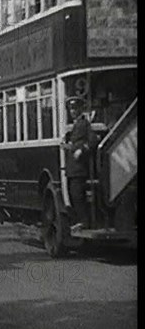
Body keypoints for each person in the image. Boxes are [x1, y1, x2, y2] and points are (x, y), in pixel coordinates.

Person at [62, 97, 95, 232]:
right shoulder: (76, 125)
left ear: (80, 109)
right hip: (73, 169)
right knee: (73, 195)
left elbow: (92, 141)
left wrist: (81, 150)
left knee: (77, 195)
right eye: (71, 109)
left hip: (79, 168)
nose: (73, 112)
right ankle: (80, 221)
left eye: (75, 109)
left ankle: (84, 221)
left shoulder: (84, 124)